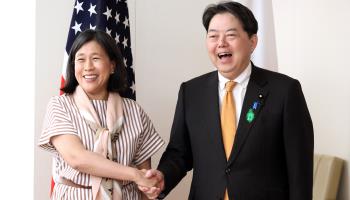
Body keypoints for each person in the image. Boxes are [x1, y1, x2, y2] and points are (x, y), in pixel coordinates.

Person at [140, 1, 314, 200]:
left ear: (252, 42)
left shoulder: (284, 91)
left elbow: (300, 169)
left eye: (231, 35)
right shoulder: (191, 92)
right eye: (213, 36)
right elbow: (179, 153)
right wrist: (163, 176)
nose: (221, 43)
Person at [38, 29, 164, 200]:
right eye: (80, 59)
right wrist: (134, 174)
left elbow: (145, 181)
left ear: (112, 65)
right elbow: (77, 158)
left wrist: (146, 183)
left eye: (96, 58)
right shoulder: (60, 106)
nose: (88, 67)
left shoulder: (135, 111)